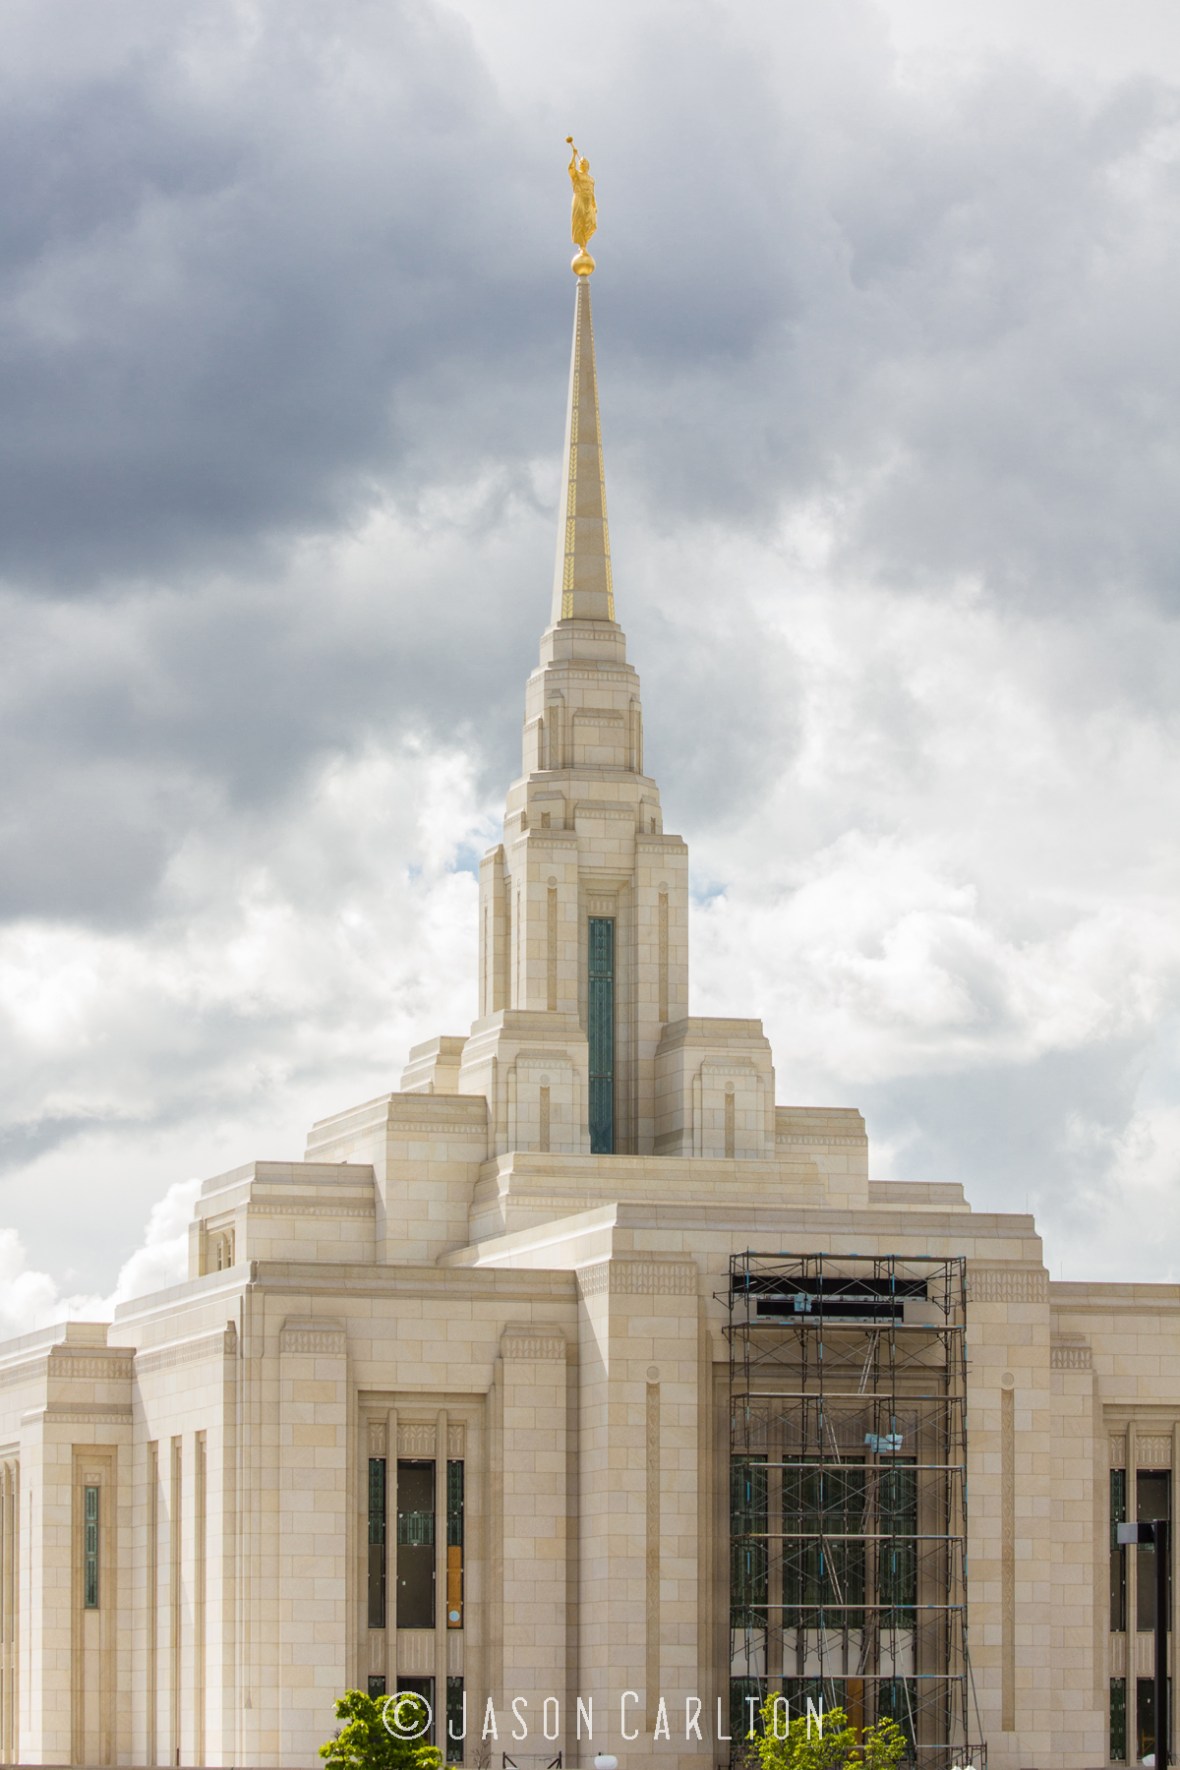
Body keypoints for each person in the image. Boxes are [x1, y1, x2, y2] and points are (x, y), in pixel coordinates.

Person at [568, 144, 597, 252]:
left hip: (588, 201)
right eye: (581, 162)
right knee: (579, 220)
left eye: (584, 162)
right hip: (579, 197)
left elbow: (592, 192)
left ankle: (584, 241)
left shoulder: (592, 179)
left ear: (588, 165)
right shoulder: (577, 175)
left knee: (592, 224)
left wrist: (594, 204)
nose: (582, 163)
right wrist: (574, 155)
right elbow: (571, 168)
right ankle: (582, 244)